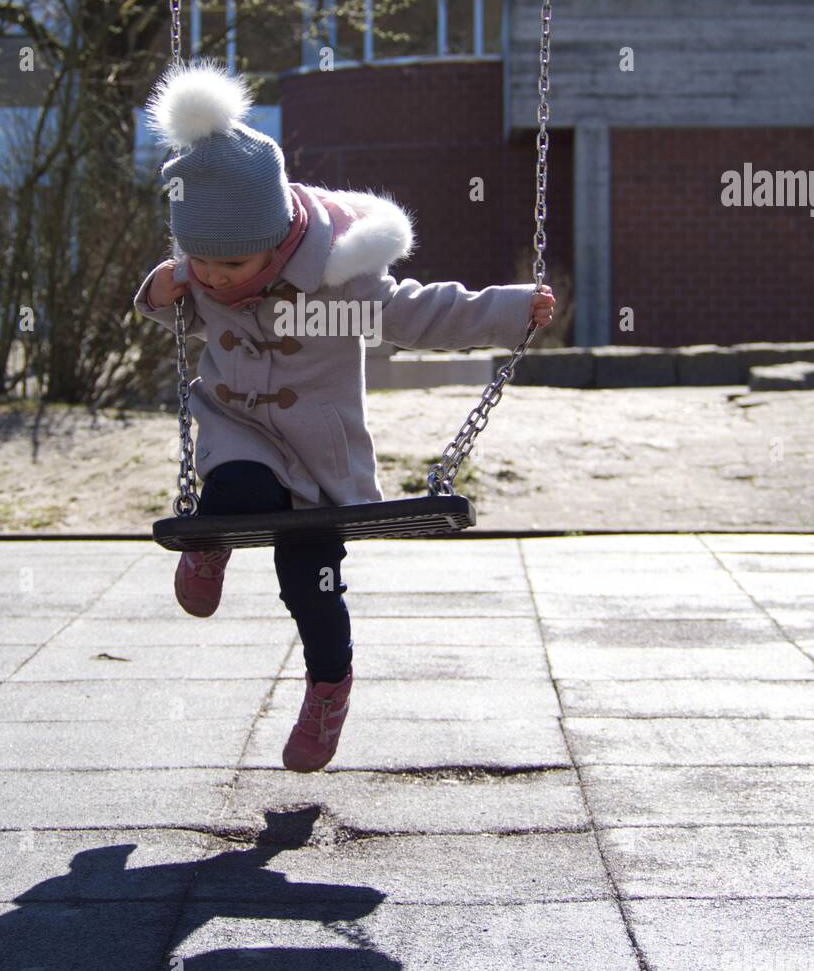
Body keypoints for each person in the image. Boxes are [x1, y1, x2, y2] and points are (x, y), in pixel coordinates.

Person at [134, 58, 555, 774]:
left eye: (231, 269)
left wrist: (510, 309)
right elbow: (160, 300)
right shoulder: (204, 268)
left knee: (313, 582)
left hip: (319, 456)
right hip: (238, 430)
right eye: (199, 265)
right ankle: (212, 539)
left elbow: (422, 313)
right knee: (235, 487)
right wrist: (164, 285)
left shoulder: (342, 279)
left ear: (278, 241)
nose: (214, 281)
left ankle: (328, 687)